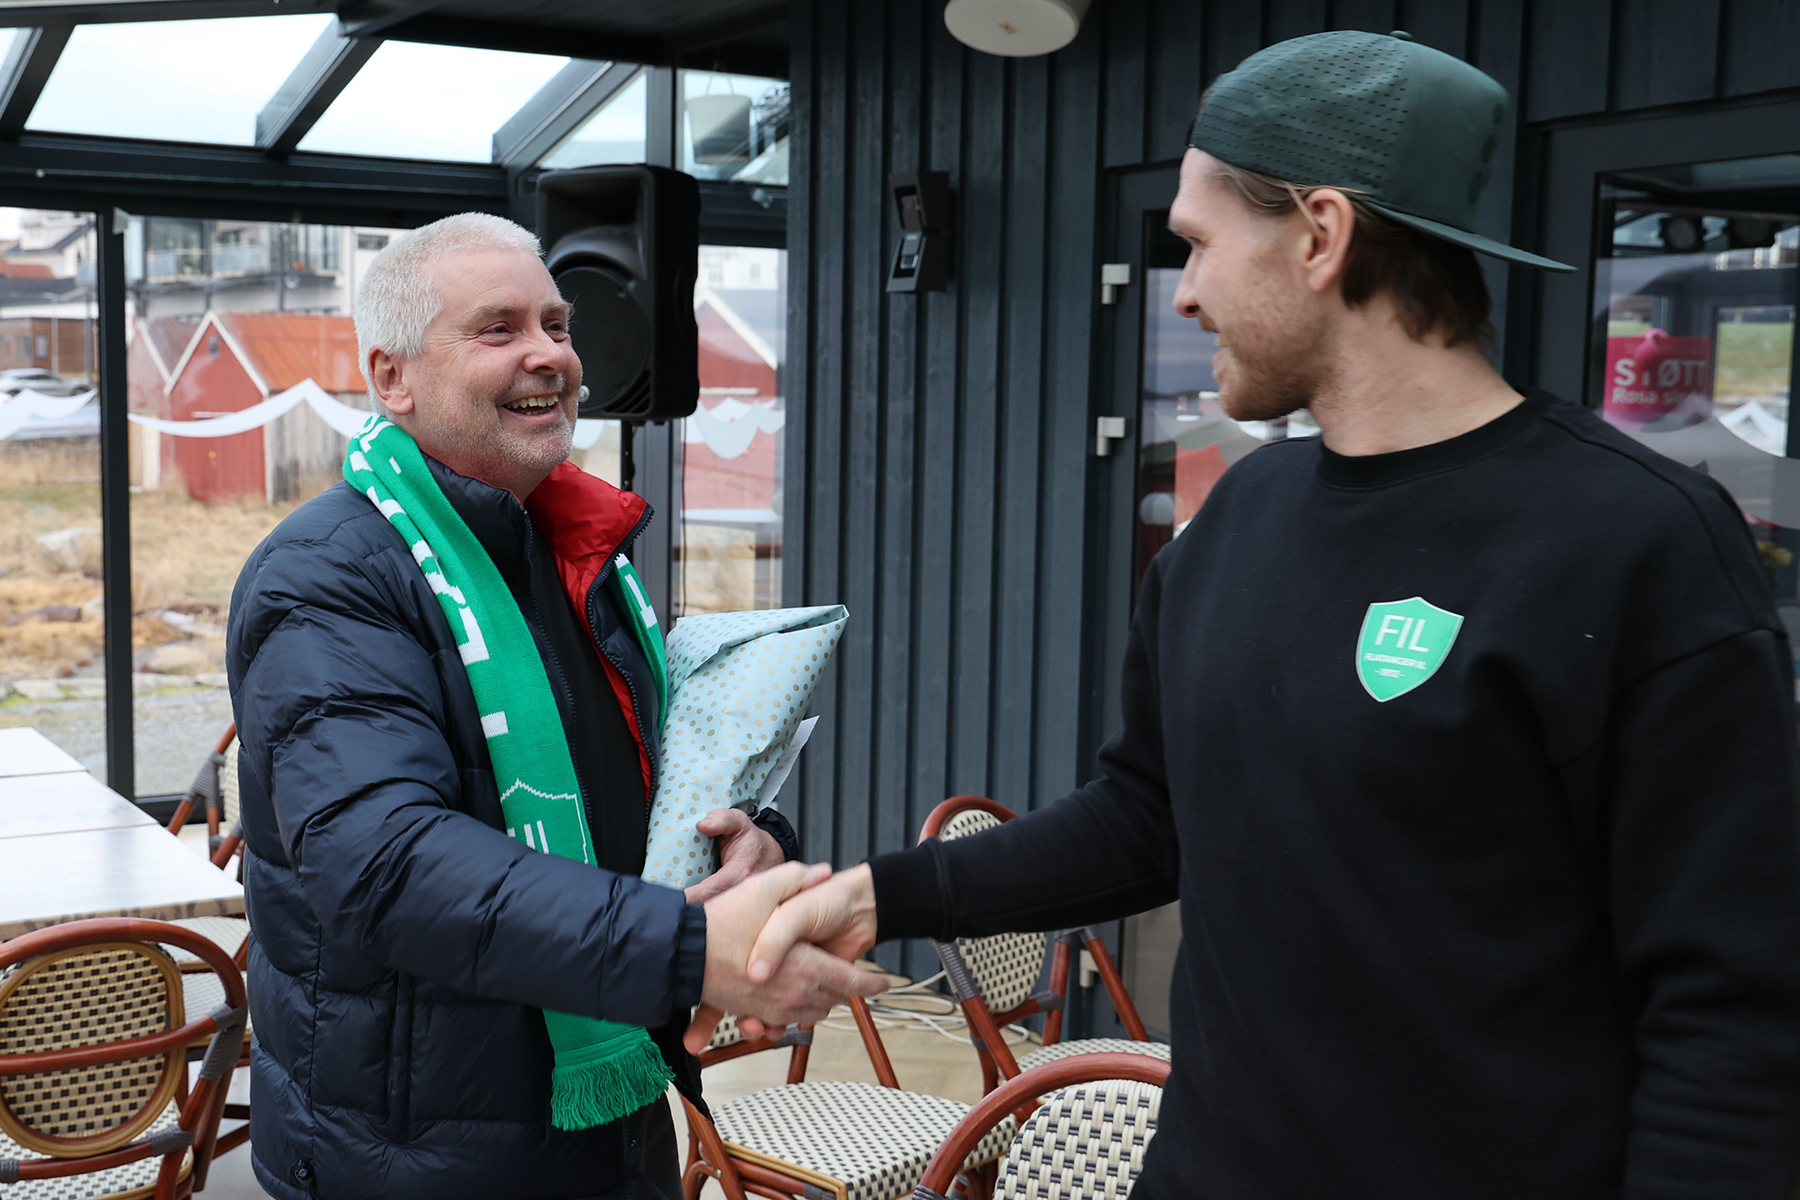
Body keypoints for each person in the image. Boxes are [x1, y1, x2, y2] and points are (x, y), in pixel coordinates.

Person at [734, 31, 1800, 1200]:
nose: (1182, 290)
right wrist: (876, 894)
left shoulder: (1637, 541)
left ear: (1320, 236)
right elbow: (1147, 817)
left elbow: (1731, 1010)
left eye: (1195, 242)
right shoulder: (1241, 517)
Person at [227, 212, 884, 1200]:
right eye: (499, 330)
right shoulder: (325, 575)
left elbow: (640, 792)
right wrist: (691, 951)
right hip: (414, 1161)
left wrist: (750, 843)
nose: (548, 355)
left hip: (607, 1121)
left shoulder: (574, 553)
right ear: (391, 376)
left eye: (558, 325)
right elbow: (381, 860)